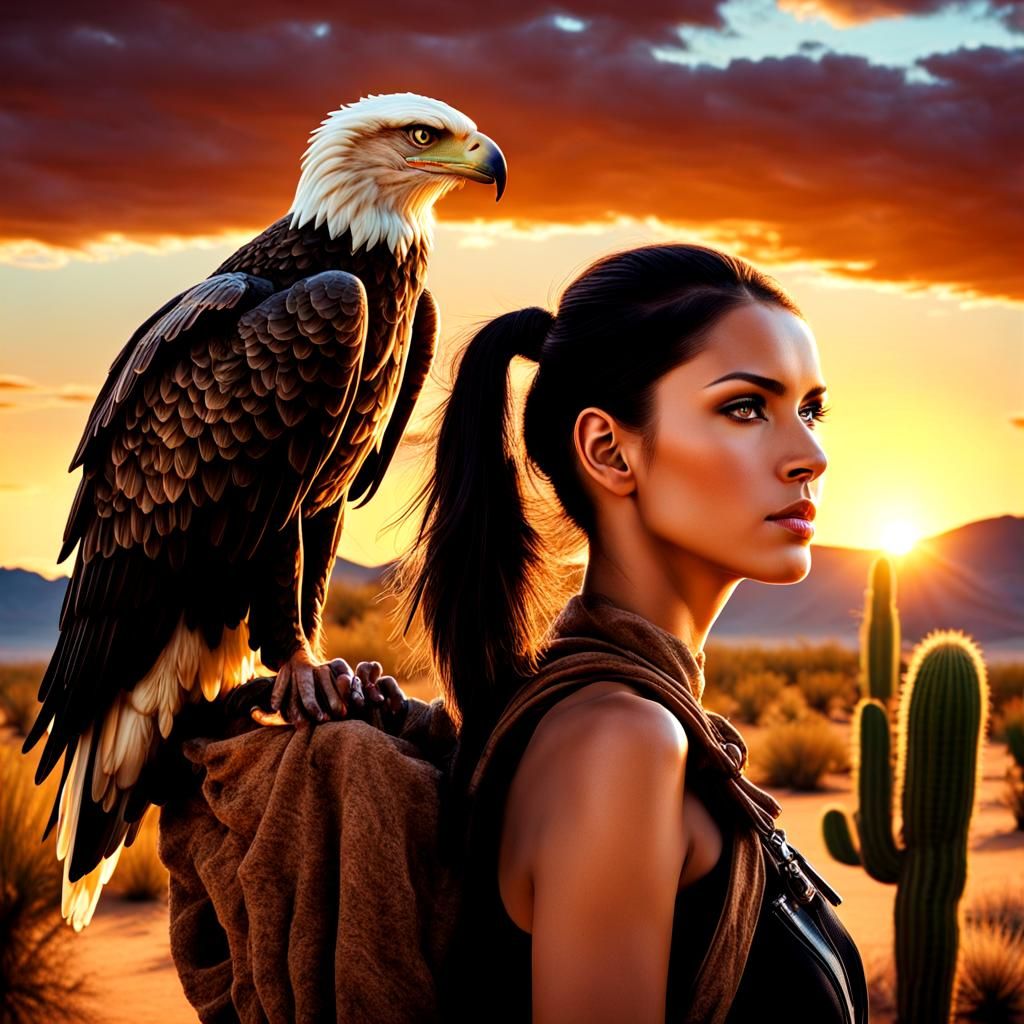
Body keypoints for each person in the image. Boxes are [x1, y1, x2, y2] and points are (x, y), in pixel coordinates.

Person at [378, 241, 868, 1022]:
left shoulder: (630, 720)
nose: (811, 455)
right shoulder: (623, 741)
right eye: (746, 407)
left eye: (811, 411)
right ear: (609, 451)